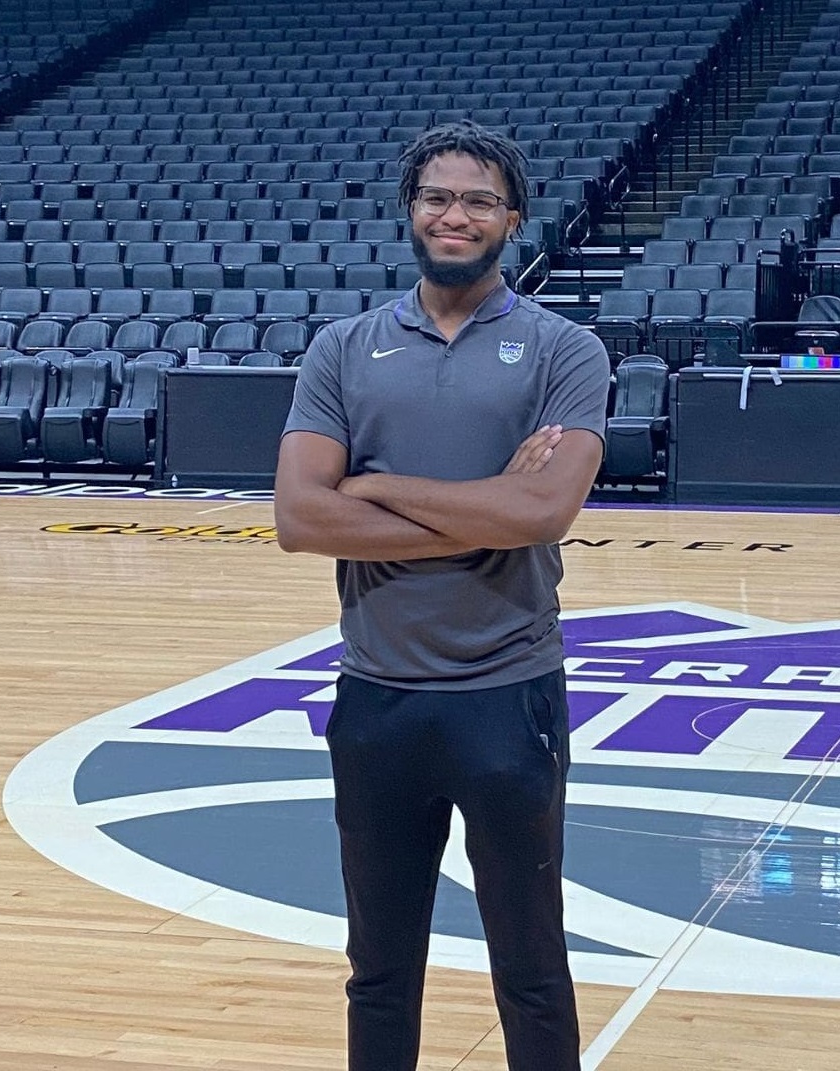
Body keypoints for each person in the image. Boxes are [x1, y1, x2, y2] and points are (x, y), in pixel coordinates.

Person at [273, 120, 611, 1071]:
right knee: (378, 967)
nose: (452, 214)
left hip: (509, 694)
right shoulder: (345, 347)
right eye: (435, 196)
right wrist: (487, 508)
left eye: (475, 199)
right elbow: (301, 518)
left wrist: (371, 484)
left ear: (513, 218)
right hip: (377, 696)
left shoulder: (564, 350)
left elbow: (544, 509)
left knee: (532, 966)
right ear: (409, 209)